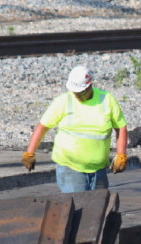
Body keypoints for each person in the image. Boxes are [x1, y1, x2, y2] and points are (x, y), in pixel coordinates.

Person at [21, 65, 128, 193]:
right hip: (70, 168)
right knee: (77, 207)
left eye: (80, 92)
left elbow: (120, 127)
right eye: (75, 92)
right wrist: (30, 153)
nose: (77, 95)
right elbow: (42, 126)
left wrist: (121, 154)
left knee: (97, 209)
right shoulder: (63, 102)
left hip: (98, 169)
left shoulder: (106, 100)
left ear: (89, 86)